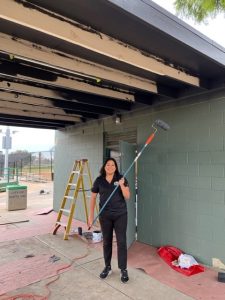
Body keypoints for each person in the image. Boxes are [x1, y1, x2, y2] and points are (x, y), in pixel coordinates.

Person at [88, 158, 130, 283]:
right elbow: (93, 198)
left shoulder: (121, 178)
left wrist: (122, 185)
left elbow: (127, 196)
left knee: (121, 242)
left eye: (113, 165)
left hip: (120, 215)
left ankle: (123, 269)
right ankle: (107, 267)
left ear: (115, 167)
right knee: (107, 241)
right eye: (108, 164)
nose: (110, 166)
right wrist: (90, 217)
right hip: (105, 216)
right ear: (104, 166)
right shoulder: (99, 180)